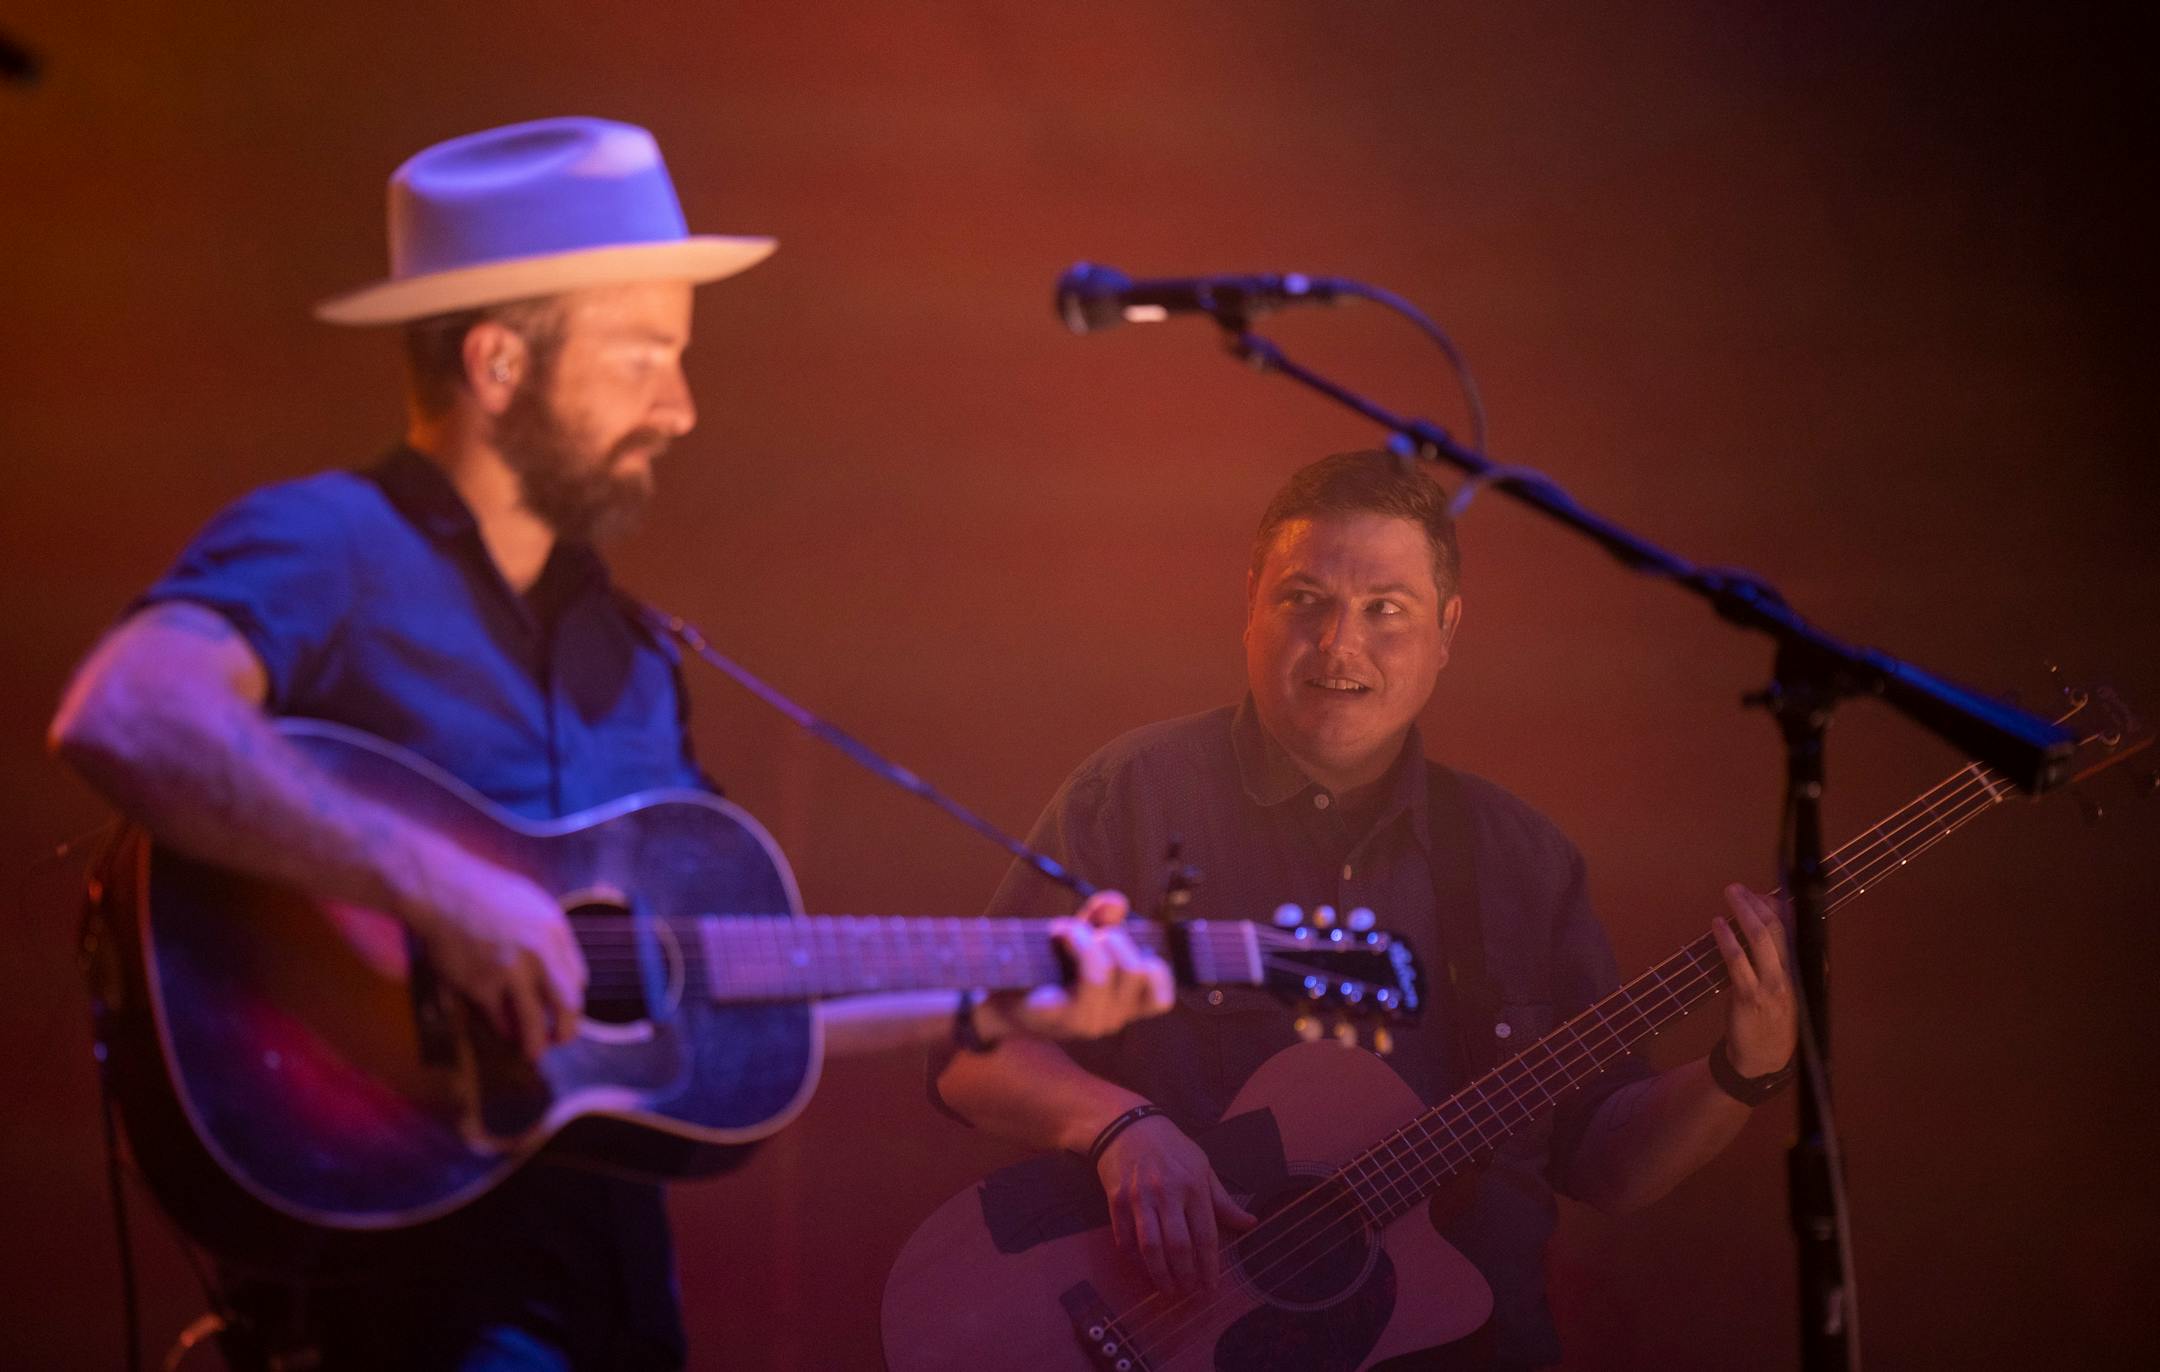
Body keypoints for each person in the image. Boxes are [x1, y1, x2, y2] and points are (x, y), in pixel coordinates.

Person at [47, 117, 1172, 1370]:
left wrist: (991, 998)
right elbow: (126, 711)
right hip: (389, 1306)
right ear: (497, 363)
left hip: (610, 1306)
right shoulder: (333, 543)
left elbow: (701, 994)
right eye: (644, 358)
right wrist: (442, 890)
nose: (681, 409)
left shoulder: (628, 651)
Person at [935, 450, 1799, 1371]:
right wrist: (1118, 1126)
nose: (1339, 643)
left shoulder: (1525, 860)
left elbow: (1606, 1166)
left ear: (1447, 629)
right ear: (1251, 605)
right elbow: (967, 1051)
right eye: (1304, 599)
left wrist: (1743, 1072)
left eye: (1386, 609)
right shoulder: (1131, 797)